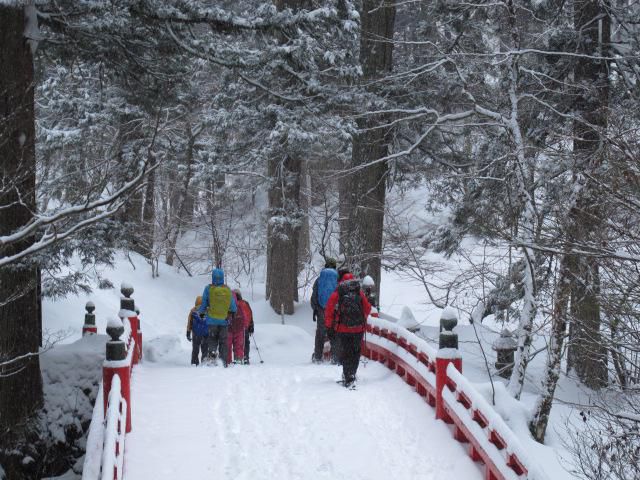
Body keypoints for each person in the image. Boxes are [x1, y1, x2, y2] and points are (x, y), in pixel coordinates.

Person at [325, 272, 372, 389]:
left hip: (343, 328)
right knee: (355, 352)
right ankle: (352, 374)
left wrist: (329, 326)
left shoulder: (339, 292)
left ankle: (347, 376)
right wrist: (362, 318)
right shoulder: (359, 293)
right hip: (358, 328)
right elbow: (368, 308)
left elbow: (329, 309)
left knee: (346, 352)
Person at [198, 268, 236, 367]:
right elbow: (233, 306)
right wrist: (230, 314)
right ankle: (223, 361)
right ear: (222, 278)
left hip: (212, 320)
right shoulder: (227, 289)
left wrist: (202, 315)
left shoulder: (208, 289)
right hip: (224, 321)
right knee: (223, 341)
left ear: (213, 277)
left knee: (212, 338)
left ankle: (213, 357)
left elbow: (203, 304)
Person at [310, 258, 338, 364]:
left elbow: (314, 298)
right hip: (334, 311)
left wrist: (316, 309)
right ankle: (335, 358)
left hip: (321, 310)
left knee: (320, 334)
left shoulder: (319, 280)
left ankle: (317, 357)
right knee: (334, 334)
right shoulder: (337, 278)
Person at [186, 296, 208, 366]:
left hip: (196, 333)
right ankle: (204, 362)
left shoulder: (193, 311)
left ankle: (194, 362)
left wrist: (188, 332)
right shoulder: (207, 310)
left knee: (195, 349)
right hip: (205, 333)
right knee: (205, 349)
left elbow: (189, 322)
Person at [226, 290, 246, 365]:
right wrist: (245, 325)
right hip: (239, 329)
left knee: (228, 346)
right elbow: (244, 317)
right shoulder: (241, 305)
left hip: (229, 329)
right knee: (238, 346)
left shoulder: (227, 305)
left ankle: (227, 361)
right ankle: (238, 360)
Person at [235, 290, 254, 364]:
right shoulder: (245, 303)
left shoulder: (233, 304)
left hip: (236, 327)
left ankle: (238, 358)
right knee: (246, 342)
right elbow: (250, 314)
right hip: (245, 326)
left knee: (237, 343)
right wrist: (251, 325)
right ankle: (246, 357)